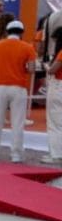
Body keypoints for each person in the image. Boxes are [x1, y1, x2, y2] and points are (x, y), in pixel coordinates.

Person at [0, 19, 37, 163]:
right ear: (21, 33)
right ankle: (16, 154)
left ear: (7, 32)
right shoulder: (28, 47)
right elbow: (31, 69)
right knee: (17, 122)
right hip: (19, 87)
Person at [48, 27, 62, 164]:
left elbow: (53, 70)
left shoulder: (61, 53)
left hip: (58, 86)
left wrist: (47, 67)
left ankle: (56, 155)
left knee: (54, 121)